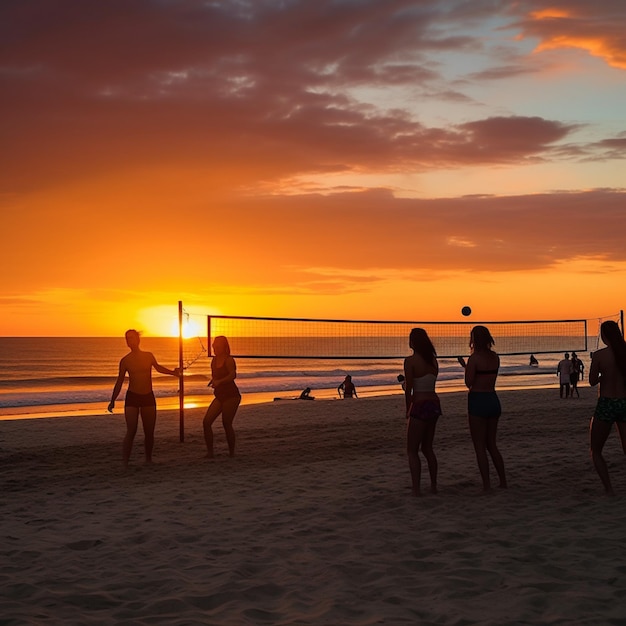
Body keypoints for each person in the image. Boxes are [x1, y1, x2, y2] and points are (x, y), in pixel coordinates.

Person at [108, 329, 180, 468]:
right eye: (127, 339)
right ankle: (125, 462)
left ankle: (148, 459)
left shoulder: (148, 356)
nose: (130, 341)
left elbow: (158, 368)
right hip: (132, 397)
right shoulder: (125, 361)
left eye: (132, 338)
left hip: (148, 396)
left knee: (149, 431)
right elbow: (119, 381)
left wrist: (174, 373)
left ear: (138, 340)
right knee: (131, 430)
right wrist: (112, 400)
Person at [460, 325, 507, 491]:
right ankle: (502, 481)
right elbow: (484, 375)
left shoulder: (474, 359)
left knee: (479, 446)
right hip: (493, 399)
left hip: (478, 400)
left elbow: (469, 382)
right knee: (492, 444)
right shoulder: (495, 357)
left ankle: (487, 485)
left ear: (473, 339)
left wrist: (467, 366)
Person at [588, 321, 626, 495]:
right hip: (624, 402)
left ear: (603, 336)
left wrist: (604, 376)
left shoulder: (599, 355)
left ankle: (609, 489)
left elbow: (592, 381)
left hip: (606, 403)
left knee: (596, 450)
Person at [404, 328, 441, 496]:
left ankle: (416, 489)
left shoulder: (410, 361)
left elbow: (409, 390)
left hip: (419, 404)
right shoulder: (433, 361)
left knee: (412, 450)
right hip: (434, 403)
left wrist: (407, 409)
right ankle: (433, 486)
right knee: (428, 448)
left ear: (413, 342)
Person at [203, 335, 241, 458]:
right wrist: (213, 381)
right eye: (214, 345)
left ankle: (232, 453)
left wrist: (220, 381)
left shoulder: (229, 360)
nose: (214, 347)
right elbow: (215, 376)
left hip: (231, 395)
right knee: (206, 422)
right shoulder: (214, 360)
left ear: (224, 346)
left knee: (226, 423)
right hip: (220, 395)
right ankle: (210, 452)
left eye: (217, 345)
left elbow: (232, 375)